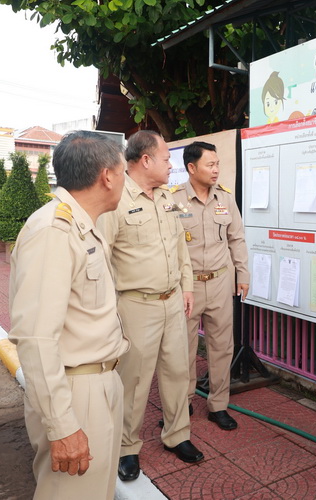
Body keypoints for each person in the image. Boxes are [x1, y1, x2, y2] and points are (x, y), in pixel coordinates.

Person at [9, 131, 130, 499]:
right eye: (123, 172)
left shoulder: (83, 226)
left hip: (100, 381)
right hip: (76, 392)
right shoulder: (54, 231)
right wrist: (62, 425)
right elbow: (36, 338)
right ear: (107, 177)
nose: (125, 181)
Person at [98, 130, 203, 481]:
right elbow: (102, 257)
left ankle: (177, 435)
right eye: (166, 158)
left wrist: (186, 287)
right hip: (137, 305)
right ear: (145, 160)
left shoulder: (167, 198)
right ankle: (127, 447)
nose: (171, 165)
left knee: (178, 372)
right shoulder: (116, 199)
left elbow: (179, 246)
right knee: (135, 380)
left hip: (172, 301)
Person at [171, 141, 249, 431]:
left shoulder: (225, 198)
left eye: (217, 164)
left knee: (222, 347)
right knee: (183, 349)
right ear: (192, 168)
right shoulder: (173, 199)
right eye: (210, 164)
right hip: (187, 286)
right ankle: (183, 402)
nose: (216, 170)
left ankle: (218, 405)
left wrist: (243, 274)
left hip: (219, 282)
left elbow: (236, 238)